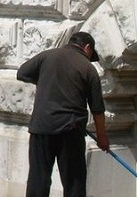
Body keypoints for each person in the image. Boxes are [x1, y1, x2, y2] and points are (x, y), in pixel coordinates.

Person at [17, 31, 110, 197]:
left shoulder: (46, 56)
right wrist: (102, 137)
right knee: (74, 182)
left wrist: (46, 81)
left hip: (41, 128)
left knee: (38, 179)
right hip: (70, 130)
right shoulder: (88, 68)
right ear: (87, 48)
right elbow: (97, 109)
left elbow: (22, 73)